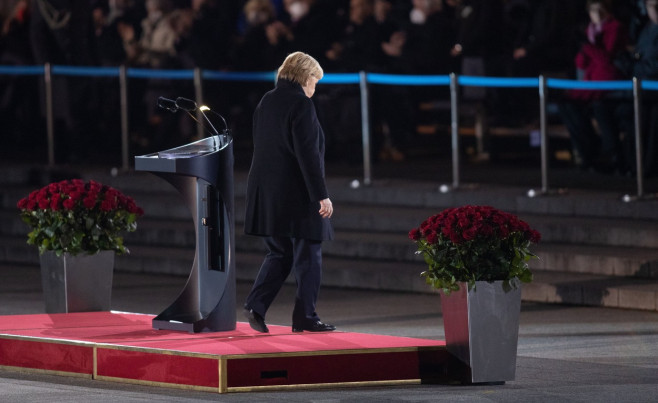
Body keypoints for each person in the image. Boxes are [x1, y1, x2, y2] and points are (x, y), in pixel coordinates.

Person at [243, 51, 336, 334]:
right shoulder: (301, 104)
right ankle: (305, 316)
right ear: (306, 77)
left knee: (279, 252)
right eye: (315, 82)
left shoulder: (267, 101)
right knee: (309, 254)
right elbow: (307, 154)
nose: (315, 88)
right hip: (299, 192)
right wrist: (321, 194)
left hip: (268, 191)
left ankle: (255, 306)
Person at [558, 0, 627, 171]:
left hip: (607, 79)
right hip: (590, 79)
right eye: (592, 11)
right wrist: (581, 47)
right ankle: (586, 149)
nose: (595, 15)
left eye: (599, 10)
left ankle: (597, 150)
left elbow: (606, 58)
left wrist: (587, 46)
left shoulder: (615, 27)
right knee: (566, 104)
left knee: (589, 106)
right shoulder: (590, 30)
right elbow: (581, 63)